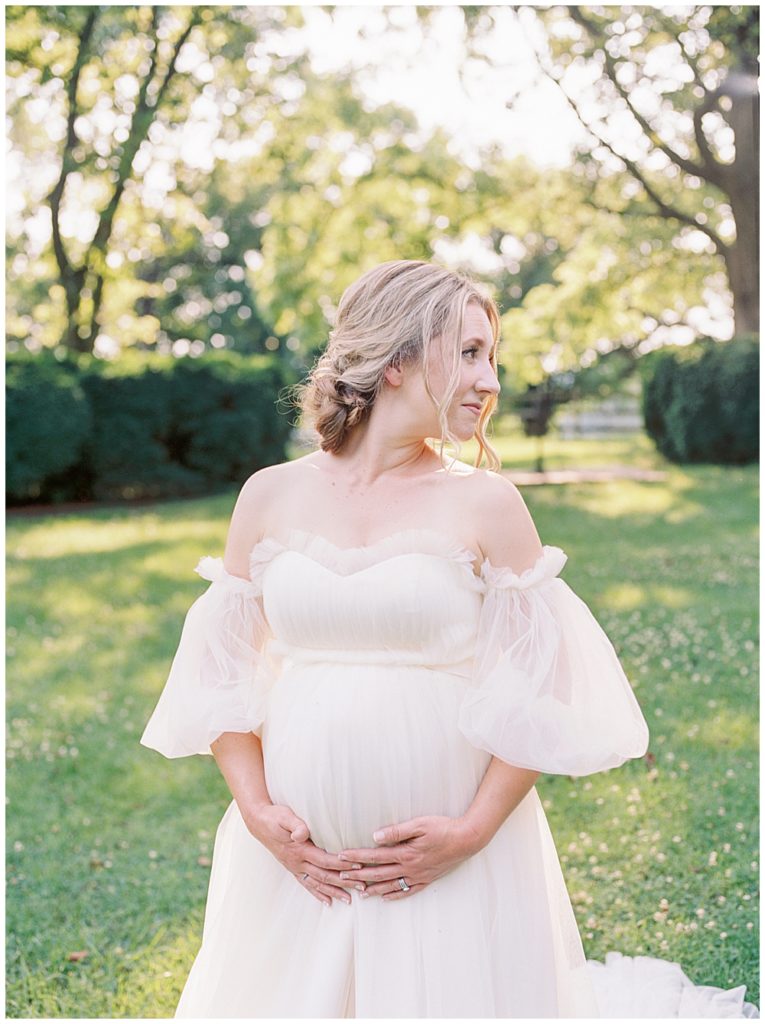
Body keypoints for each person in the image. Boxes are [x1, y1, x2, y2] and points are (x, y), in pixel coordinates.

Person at [141, 260, 758, 1018]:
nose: (489, 380)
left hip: (456, 877)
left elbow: (541, 691)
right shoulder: (269, 494)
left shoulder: (486, 505)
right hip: (297, 874)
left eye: (490, 356)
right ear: (395, 359)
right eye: (468, 353)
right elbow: (220, 677)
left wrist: (469, 832)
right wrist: (260, 811)